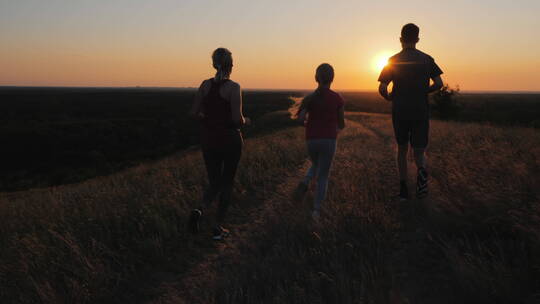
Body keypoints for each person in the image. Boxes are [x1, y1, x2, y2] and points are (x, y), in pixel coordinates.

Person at [378, 23, 444, 201]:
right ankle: (421, 175)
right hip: (420, 109)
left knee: (401, 148)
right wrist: (424, 91)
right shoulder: (427, 59)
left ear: (400, 39)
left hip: (400, 110)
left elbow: (383, 87)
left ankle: (403, 190)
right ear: (417, 39)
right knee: (419, 151)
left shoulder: (392, 60)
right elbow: (439, 83)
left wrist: (390, 98)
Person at [188, 47, 247, 240]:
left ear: (214, 64)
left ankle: (199, 210)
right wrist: (246, 121)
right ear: (232, 65)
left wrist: (208, 120)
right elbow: (237, 119)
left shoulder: (204, 86)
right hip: (230, 140)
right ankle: (217, 228)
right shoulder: (234, 87)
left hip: (209, 140)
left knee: (214, 182)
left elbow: (194, 114)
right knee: (227, 183)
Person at [294, 63, 345, 221]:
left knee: (316, 164)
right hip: (329, 139)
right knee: (323, 174)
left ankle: (306, 181)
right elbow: (341, 123)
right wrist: (337, 127)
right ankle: (316, 211)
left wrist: (307, 125)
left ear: (316, 78)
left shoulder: (309, 98)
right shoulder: (337, 98)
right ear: (332, 79)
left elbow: (301, 119)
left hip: (311, 139)